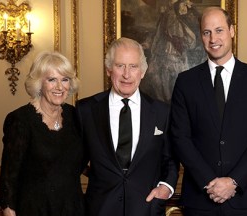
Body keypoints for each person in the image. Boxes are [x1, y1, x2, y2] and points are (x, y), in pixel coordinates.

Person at [170, 7, 247, 216]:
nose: (213, 38)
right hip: (200, 198)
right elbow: (180, 137)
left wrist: (234, 182)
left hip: (244, 198)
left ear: (232, 31)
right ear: (201, 36)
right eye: (207, 32)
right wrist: (210, 183)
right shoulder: (186, 82)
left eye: (219, 30)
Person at [76, 37, 179, 216]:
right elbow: (73, 161)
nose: (126, 74)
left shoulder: (162, 111)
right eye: (120, 66)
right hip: (100, 208)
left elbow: (170, 159)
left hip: (146, 207)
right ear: (109, 69)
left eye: (133, 66)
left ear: (143, 71)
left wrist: (165, 188)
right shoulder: (86, 110)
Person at [0, 51, 84, 216]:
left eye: (65, 79)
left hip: (73, 208)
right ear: (39, 83)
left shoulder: (76, 116)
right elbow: (9, 178)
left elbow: (81, 159)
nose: (59, 87)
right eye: (52, 80)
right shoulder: (20, 120)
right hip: (33, 209)